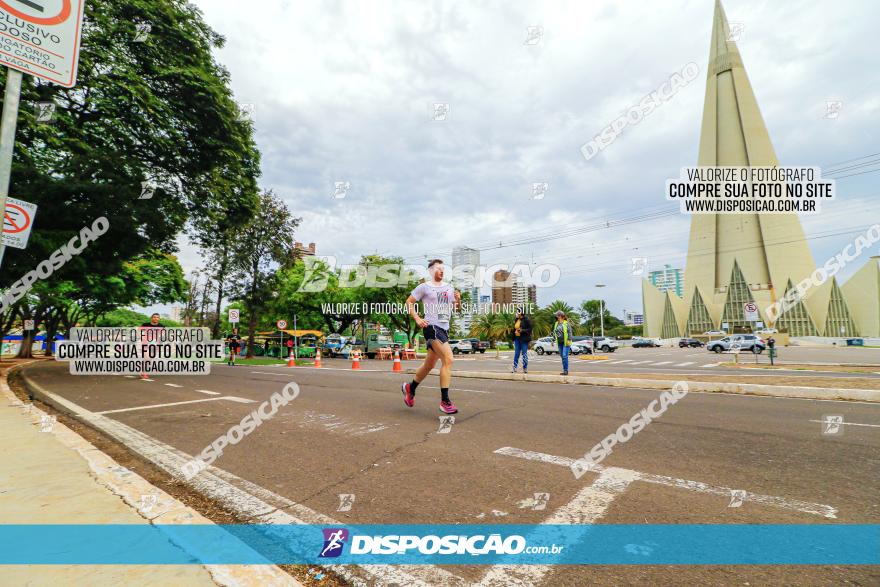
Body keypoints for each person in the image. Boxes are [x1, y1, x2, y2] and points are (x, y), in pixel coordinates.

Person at [400, 259, 461, 414]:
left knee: (429, 365)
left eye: (442, 268)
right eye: (438, 269)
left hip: (444, 329)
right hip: (432, 328)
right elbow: (409, 302)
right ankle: (445, 401)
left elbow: (455, 308)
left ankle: (410, 388)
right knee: (448, 359)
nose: (441, 271)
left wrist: (458, 300)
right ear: (431, 271)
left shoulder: (449, 287)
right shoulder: (424, 287)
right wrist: (417, 318)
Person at [512, 307, 532, 373]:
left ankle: (525, 368)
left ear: (521, 312)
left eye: (518, 312)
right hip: (517, 339)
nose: (516, 313)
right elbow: (514, 329)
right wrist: (513, 338)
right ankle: (514, 367)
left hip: (524, 339)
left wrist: (522, 330)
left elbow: (530, 329)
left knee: (524, 354)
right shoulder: (516, 319)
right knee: (516, 354)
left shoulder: (527, 320)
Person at [553, 310, 572, 376]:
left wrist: (569, 340)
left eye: (557, 315)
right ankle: (564, 369)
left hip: (566, 342)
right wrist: (553, 340)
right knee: (562, 356)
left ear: (560, 316)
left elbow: (569, 332)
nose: (556, 316)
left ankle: (565, 370)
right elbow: (554, 332)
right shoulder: (556, 323)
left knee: (564, 356)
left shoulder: (566, 323)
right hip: (560, 342)